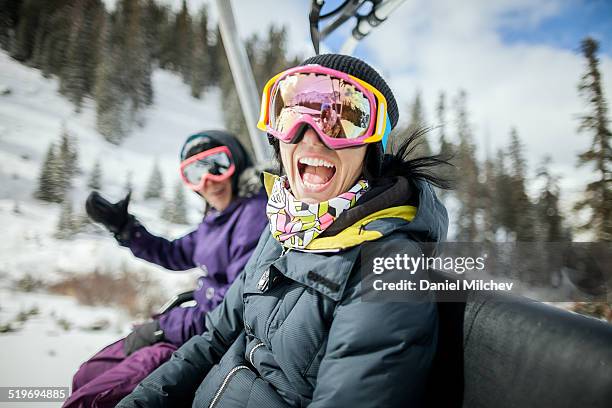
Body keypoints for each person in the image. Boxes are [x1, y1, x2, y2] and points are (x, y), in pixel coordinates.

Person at [118, 54, 449, 407]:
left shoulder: (391, 267)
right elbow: (213, 339)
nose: (311, 138)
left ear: (371, 148)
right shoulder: (281, 228)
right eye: (291, 114)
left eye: (341, 120)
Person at [63, 130, 268, 408]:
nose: (208, 182)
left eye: (217, 166)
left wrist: (162, 328)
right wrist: (127, 229)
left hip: (203, 339)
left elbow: (232, 307)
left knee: (90, 400)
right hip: (190, 326)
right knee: (86, 375)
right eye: (196, 173)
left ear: (238, 166)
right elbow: (174, 253)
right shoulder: (218, 218)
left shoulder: (253, 215)